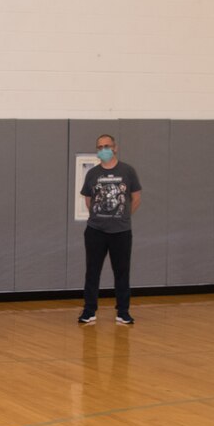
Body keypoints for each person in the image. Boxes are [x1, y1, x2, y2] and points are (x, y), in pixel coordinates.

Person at [78, 134, 142, 325]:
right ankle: (89, 311)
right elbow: (89, 200)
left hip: (121, 232)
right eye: (99, 147)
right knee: (92, 271)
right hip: (95, 231)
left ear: (115, 148)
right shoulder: (92, 174)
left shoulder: (128, 171)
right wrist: (101, 216)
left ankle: (123, 312)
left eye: (107, 146)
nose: (103, 149)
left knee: (122, 272)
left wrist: (122, 216)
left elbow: (136, 197)